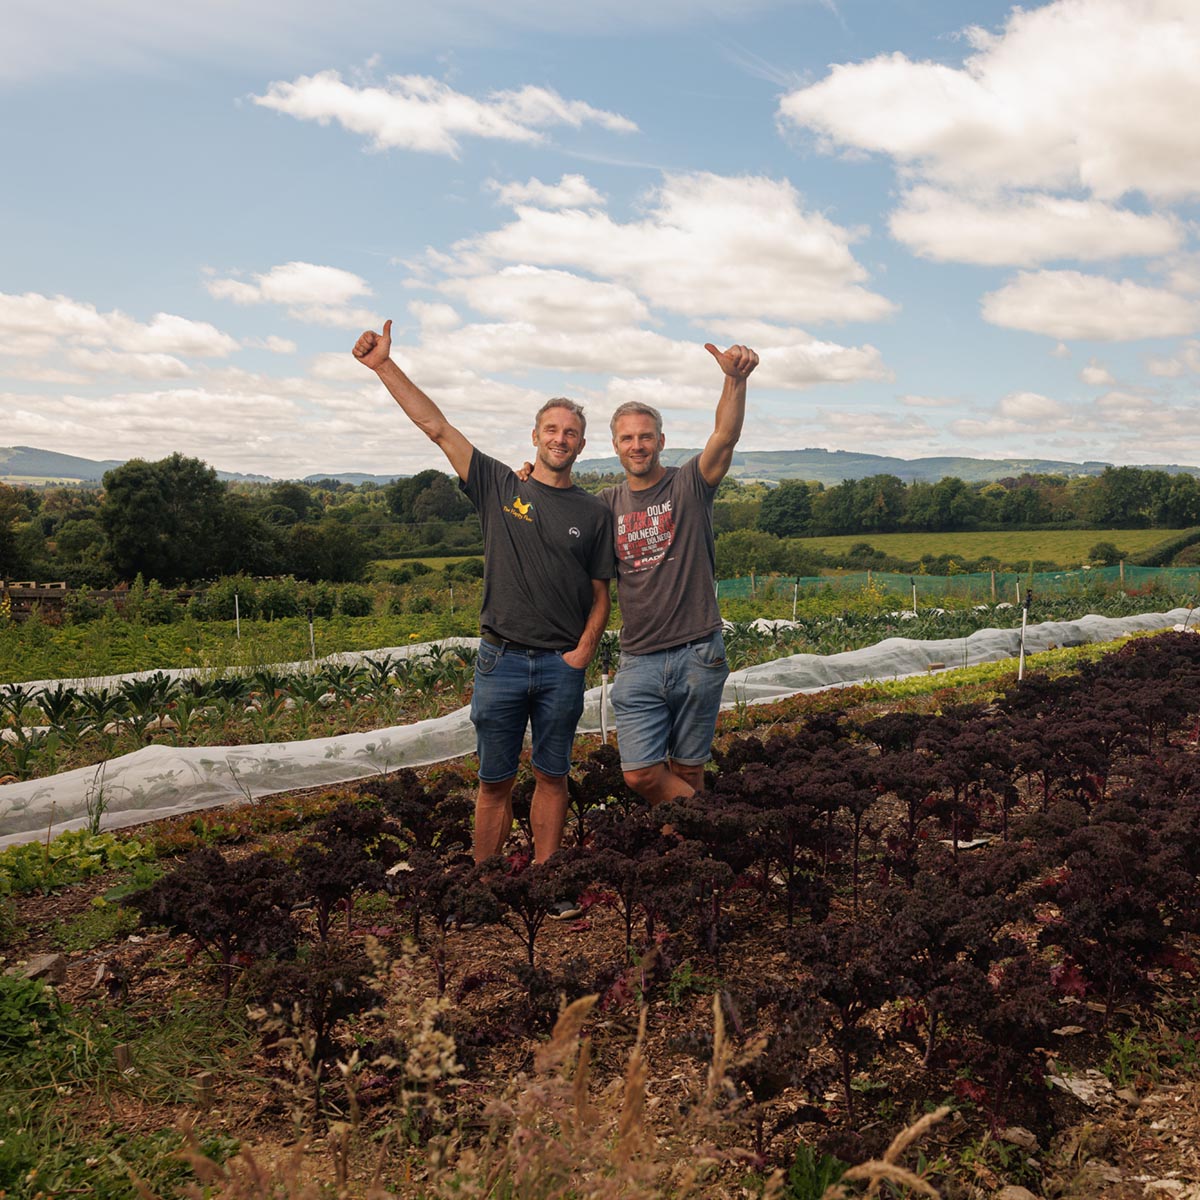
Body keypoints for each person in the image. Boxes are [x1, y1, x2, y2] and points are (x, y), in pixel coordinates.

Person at [353, 319, 613, 874]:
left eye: (570, 432)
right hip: (500, 659)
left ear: (582, 444)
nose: (559, 439)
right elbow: (438, 428)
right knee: (494, 780)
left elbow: (600, 594)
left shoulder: (593, 513)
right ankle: (485, 884)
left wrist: (583, 653)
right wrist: (383, 366)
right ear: (535, 436)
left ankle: (547, 879)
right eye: (551, 429)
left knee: (552, 775)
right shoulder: (500, 485)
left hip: (561, 664)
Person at [603, 342, 758, 805]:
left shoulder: (688, 484)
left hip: (697, 651)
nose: (637, 445)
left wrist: (735, 379)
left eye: (645, 436)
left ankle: (689, 856)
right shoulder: (605, 505)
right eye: (627, 438)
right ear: (615, 446)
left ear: (661, 442)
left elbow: (724, 437)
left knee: (690, 767)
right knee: (641, 774)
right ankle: (715, 825)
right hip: (639, 658)